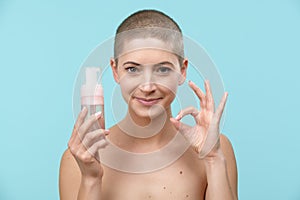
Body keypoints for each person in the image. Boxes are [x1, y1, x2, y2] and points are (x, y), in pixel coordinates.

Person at [59, 9, 238, 200]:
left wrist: (213, 159)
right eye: (132, 69)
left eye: (162, 69)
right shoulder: (78, 158)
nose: (147, 86)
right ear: (115, 71)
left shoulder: (216, 149)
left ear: (182, 71)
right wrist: (90, 178)